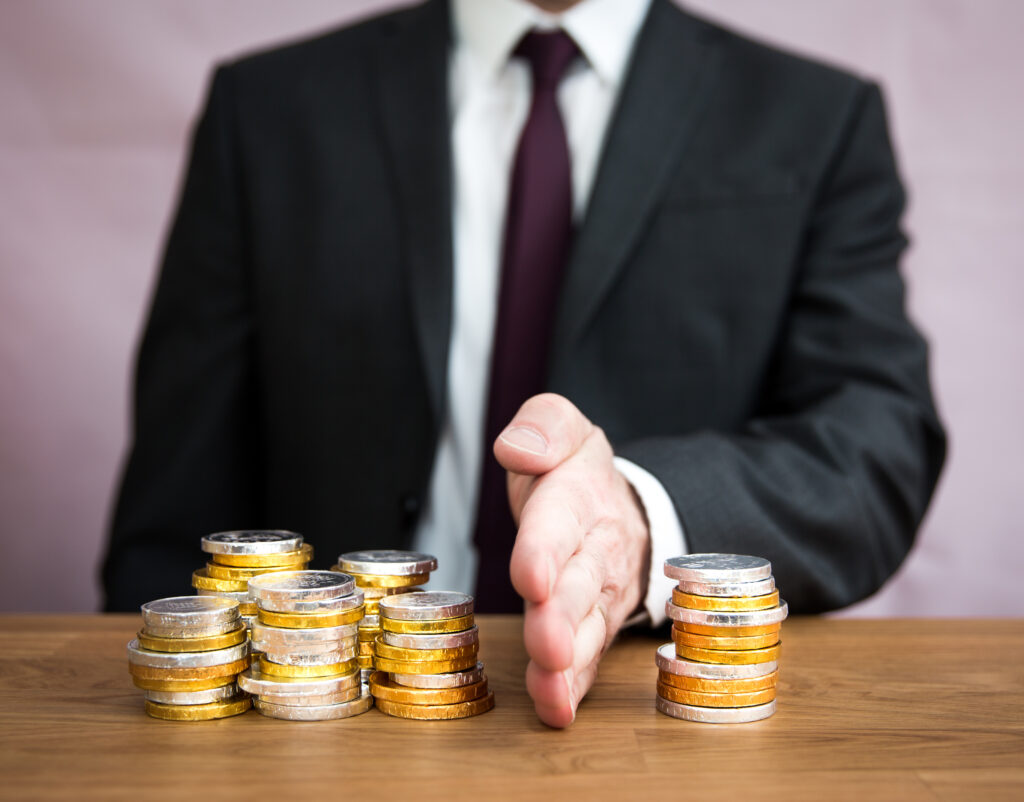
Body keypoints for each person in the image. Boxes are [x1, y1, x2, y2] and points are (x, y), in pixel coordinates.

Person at [102, 0, 946, 728]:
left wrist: (641, 520)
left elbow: (875, 443)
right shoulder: (271, 111)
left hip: (648, 725)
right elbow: (175, 506)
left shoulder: (816, 118)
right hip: (322, 721)